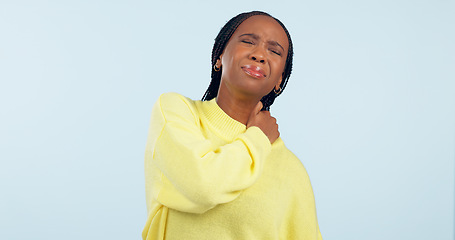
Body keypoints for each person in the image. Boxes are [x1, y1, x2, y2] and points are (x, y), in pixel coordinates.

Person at [142, 11, 323, 240]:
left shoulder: (292, 171)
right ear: (219, 56)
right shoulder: (176, 113)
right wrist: (257, 137)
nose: (259, 55)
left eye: (274, 51)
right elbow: (203, 186)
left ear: (280, 79)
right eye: (248, 41)